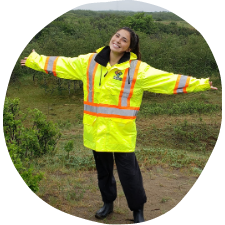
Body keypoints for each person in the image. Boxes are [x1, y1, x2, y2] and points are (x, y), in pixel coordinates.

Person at [21, 27, 217, 223]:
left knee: (129, 174)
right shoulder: (90, 61)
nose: (118, 40)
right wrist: (35, 60)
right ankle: (108, 203)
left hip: (121, 132)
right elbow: (63, 64)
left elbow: (167, 80)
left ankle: (137, 210)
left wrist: (200, 83)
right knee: (104, 172)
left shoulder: (137, 69)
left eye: (124, 40)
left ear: (129, 47)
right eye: (117, 36)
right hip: (96, 129)